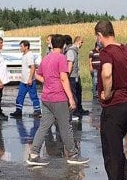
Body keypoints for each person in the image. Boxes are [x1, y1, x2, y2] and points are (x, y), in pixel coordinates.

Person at [95, 20, 127, 180]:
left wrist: (107, 93)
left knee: (110, 152)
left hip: (114, 106)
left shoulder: (106, 52)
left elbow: (107, 74)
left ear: (99, 35)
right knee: (116, 147)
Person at [28, 34, 86, 166]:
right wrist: (71, 98)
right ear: (64, 45)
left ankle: (34, 154)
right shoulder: (61, 58)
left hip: (46, 97)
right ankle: (72, 154)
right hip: (58, 97)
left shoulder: (46, 58)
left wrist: (48, 82)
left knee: (43, 126)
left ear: (52, 44)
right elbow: (64, 78)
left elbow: (38, 75)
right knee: (65, 127)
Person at [11, 40, 41, 117]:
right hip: (23, 81)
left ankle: (37, 111)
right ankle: (18, 111)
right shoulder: (24, 54)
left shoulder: (29, 55)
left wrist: (30, 78)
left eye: (21, 46)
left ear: (26, 47)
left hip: (29, 80)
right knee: (20, 96)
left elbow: (32, 67)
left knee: (33, 96)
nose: (20, 48)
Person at [87, 40, 101, 105]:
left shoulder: (102, 51)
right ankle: (95, 93)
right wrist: (91, 67)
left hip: (100, 69)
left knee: (100, 81)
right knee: (95, 81)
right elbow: (90, 60)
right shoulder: (92, 51)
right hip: (95, 68)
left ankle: (98, 93)